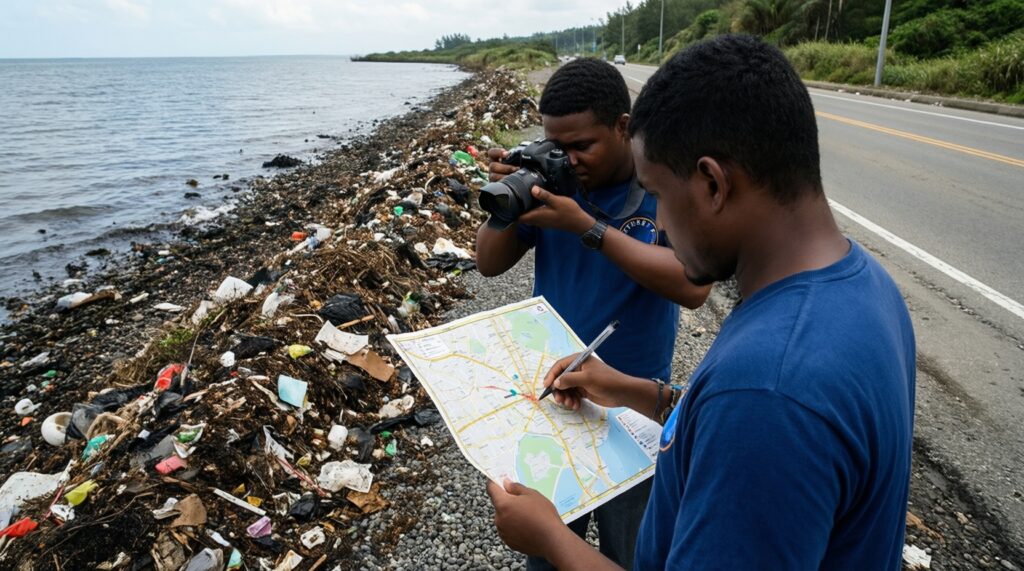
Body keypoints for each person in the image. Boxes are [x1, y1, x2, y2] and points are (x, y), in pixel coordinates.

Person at [485, 34, 916, 570]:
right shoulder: (865, 285)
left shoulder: (766, 393)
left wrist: (552, 539)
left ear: (712, 183)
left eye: (661, 195)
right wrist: (630, 389)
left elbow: (751, 407)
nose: (658, 223)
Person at [476, 58, 711, 570]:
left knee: (634, 552)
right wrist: (510, 199)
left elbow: (693, 287)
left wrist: (588, 227)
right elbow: (488, 264)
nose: (570, 159)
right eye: (557, 146)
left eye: (582, 145)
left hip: (634, 405)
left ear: (623, 127)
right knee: (551, 548)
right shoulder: (554, 183)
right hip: (554, 398)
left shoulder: (657, 189)